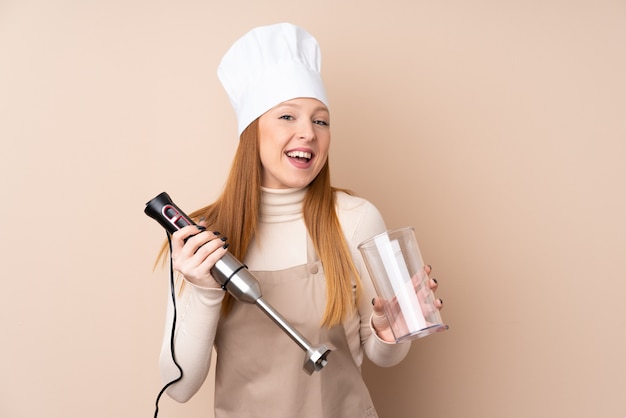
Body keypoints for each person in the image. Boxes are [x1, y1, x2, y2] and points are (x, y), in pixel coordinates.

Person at [158, 22, 443, 418]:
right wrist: (204, 290)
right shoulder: (200, 239)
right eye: (287, 117)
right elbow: (179, 386)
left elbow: (381, 357)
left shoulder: (355, 219)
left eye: (321, 120)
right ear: (251, 132)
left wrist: (389, 332)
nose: (308, 133)